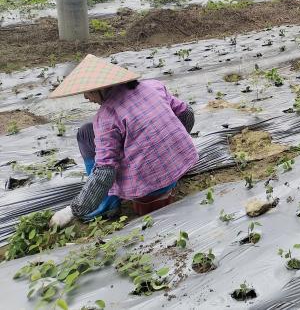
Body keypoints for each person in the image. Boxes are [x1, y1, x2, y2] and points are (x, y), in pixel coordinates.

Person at [49, 54, 198, 228]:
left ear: (102, 88)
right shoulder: (153, 87)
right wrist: (171, 147)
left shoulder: (107, 116)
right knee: (86, 133)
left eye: (88, 92)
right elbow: (187, 112)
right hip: (177, 168)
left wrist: (72, 210)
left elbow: (105, 172)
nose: (86, 98)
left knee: (92, 146)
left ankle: (105, 205)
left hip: (147, 188)